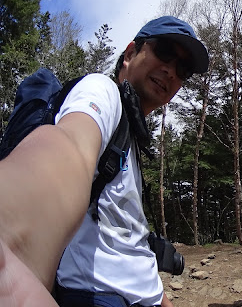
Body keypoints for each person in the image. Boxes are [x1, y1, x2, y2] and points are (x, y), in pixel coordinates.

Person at [0, 16, 209, 307]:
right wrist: (12, 227)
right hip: (97, 296)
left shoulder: (130, 139)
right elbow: (70, 146)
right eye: (164, 52)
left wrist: (160, 298)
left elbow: (125, 235)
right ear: (130, 54)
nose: (171, 70)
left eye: (183, 69)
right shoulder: (103, 92)